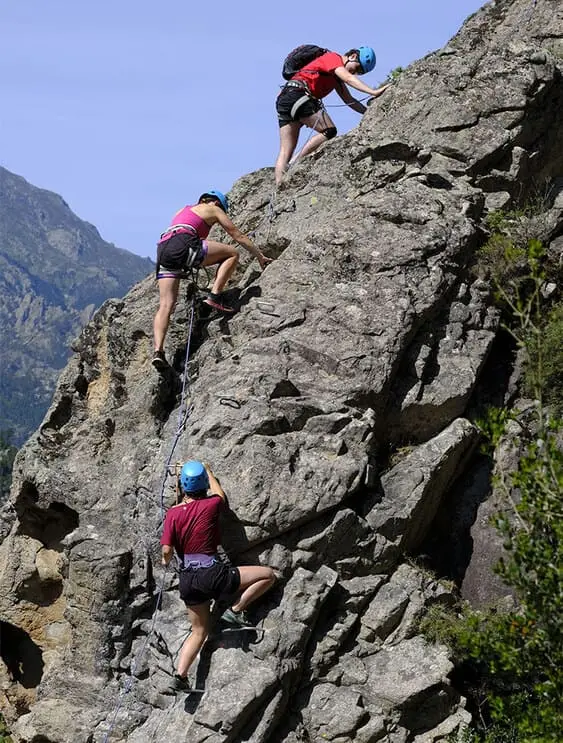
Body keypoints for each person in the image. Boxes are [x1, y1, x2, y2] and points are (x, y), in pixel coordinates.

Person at [160, 460, 276, 690]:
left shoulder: (172, 514)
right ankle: (235, 610)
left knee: (199, 631)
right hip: (213, 575)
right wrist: (210, 472)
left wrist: (165, 562)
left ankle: (180, 675)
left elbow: (166, 551)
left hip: (188, 580)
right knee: (268, 575)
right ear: (203, 483)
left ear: (183, 485)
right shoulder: (211, 505)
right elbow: (219, 494)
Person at [152, 190, 272, 370]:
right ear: (216, 203)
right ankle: (215, 295)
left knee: (166, 305)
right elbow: (236, 234)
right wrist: (259, 256)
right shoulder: (214, 209)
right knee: (232, 253)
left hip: (164, 248)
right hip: (184, 243)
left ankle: (158, 351)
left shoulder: (182, 210)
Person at [274, 47, 390, 185]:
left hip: (286, 99)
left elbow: (349, 100)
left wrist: (369, 112)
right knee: (329, 130)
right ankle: (295, 163)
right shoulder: (333, 58)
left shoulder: (335, 77)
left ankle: (279, 187)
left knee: (285, 150)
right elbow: (348, 78)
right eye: (357, 68)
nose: (356, 73)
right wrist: (374, 92)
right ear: (353, 56)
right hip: (298, 94)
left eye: (360, 73)